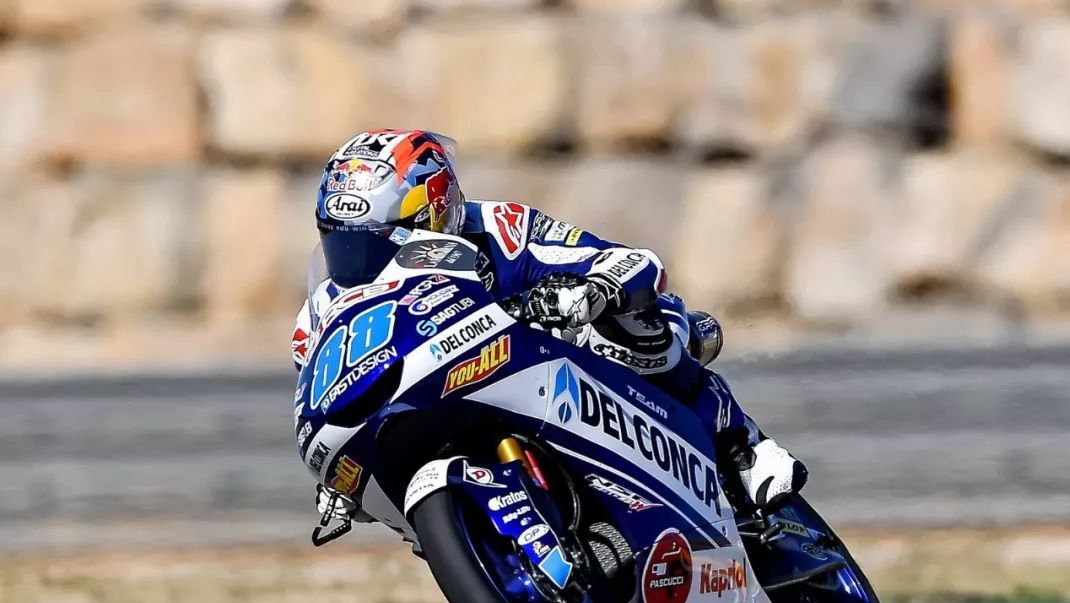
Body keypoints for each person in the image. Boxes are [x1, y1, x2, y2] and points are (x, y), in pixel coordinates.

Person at [293, 129, 806, 518]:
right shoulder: (317, 318)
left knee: (636, 327)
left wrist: (591, 292)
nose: (363, 263)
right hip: (446, 400)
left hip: (557, 362)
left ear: (436, 211)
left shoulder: (501, 230)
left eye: (378, 243)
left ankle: (742, 446)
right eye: (344, 243)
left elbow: (633, 262)